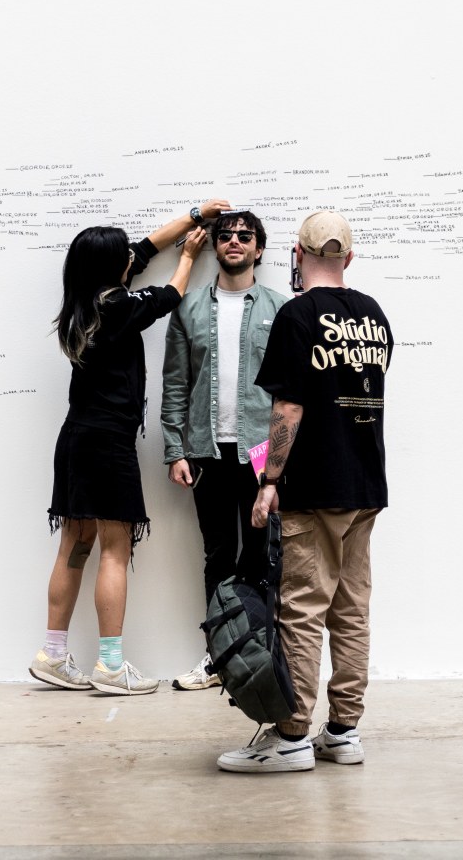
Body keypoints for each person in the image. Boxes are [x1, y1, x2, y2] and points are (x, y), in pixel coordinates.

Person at [29, 199, 229, 697]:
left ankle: (52, 654)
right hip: (108, 443)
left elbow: (143, 249)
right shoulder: (118, 307)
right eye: (124, 256)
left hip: (75, 438)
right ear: (111, 267)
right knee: (116, 551)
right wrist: (189, 256)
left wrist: (195, 216)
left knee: (74, 546)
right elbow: (170, 295)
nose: (132, 258)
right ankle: (112, 666)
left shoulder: (84, 301)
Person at [217, 211, 391, 774]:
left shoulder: (297, 316)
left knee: (301, 610)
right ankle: (343, 730)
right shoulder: (374, 316)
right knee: (351, 609)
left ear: (297, 252)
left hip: (316, 487)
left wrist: (269, 483)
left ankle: (292, 734)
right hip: (365, 485)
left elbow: (289, 408)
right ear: (350, 257)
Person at [162, 210, 289, 691]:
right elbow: (175, 383)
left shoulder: (280, 308)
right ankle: (218, 656)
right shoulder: (189, 308)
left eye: (245, 235)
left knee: (261, 556)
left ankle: (256, 652)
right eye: (225, 235)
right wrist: (175, 449)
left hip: (261, 455)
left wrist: (281, 463)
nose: (234, 241)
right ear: (215, 246)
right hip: (205, 452)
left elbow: (290, 394)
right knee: (217, 555)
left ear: (258, 248)